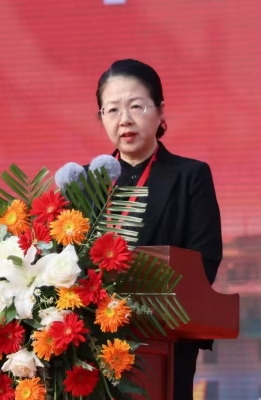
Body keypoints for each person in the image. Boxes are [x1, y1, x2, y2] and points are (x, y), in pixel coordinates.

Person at [95, 59, 223, 400]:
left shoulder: (190, 176)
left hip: (163, 342)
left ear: (160, 110)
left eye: (136, 106)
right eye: (112, 109)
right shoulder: (86, 181)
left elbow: (205, 260)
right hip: (92, 345)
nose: (124, 119)